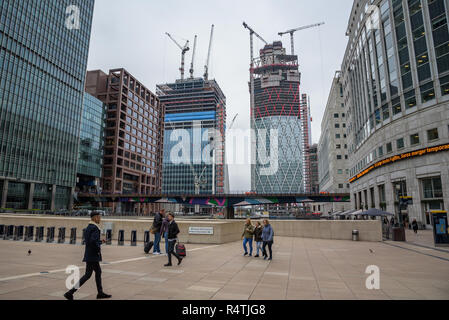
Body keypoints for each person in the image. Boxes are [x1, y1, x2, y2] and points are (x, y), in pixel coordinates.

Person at [64, 211, 111, 300]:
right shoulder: (95, 228)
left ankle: (99, 292)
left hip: (90, 254)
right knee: (88, 275)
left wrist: (101, 242)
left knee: (95, 273)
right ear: (95, 218)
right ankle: (70, 293)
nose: (100, 219)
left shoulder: (89, 227)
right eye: (99, 217)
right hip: (93, 255)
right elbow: (93, 242)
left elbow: (90, 241)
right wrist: (98, 249)